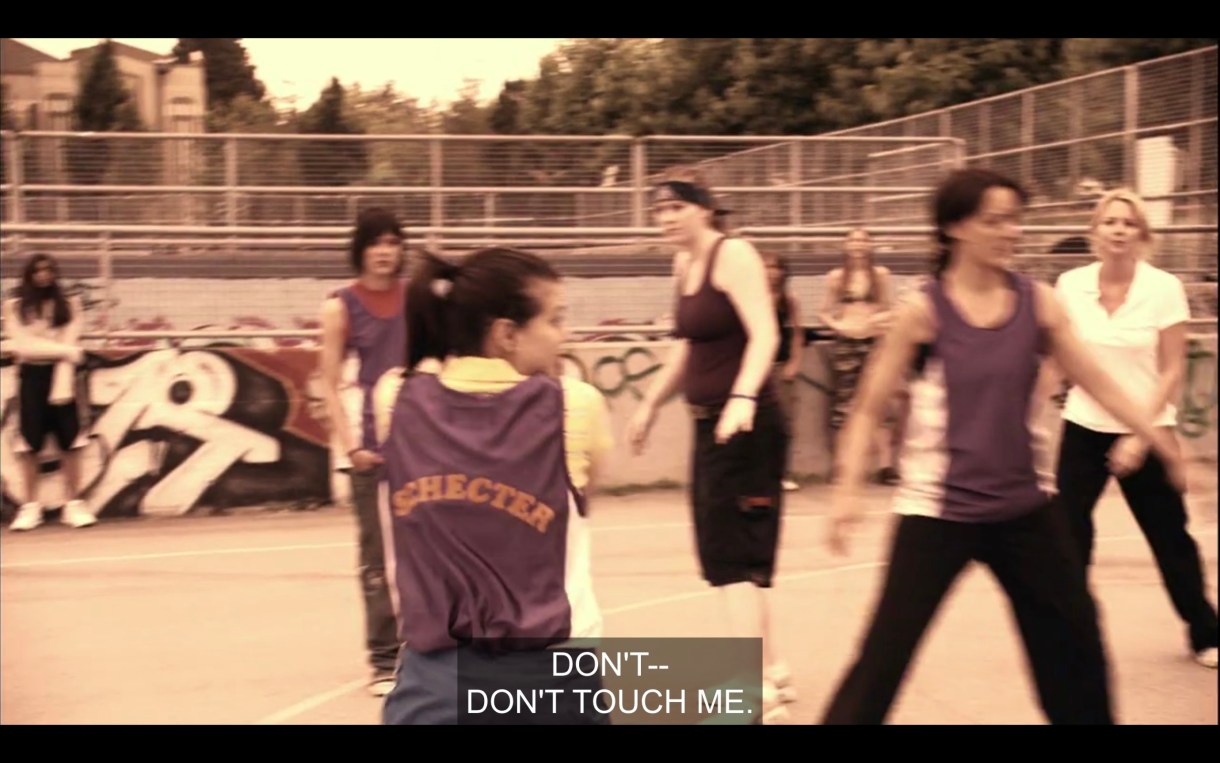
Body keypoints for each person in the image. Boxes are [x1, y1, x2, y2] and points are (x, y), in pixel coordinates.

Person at [821, 168, 1189, 725]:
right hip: (937, 511)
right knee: (883, 657)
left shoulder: (1039, 303)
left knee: (1076, 649)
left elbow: (1099, 381)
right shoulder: (923, 312)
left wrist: (1158, 440)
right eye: (994, 221)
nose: (1011, 231)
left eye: (1016, 219)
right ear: (955, 228)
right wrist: (846, 490)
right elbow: (869, 406)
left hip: (1025, 509)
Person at [373, 247, 613, 725]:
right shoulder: (576, 406)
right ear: (506, 333)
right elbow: (588, 496)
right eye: (555, 320)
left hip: (433, 684)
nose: (562, 337)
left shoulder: (393, 398)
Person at [626, 166, 794, 723]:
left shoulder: (734, 256)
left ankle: (756, 690)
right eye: (659, 210)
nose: (666, 218)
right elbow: (686, 349)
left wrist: (744, 397)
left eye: (676, 207)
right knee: (734, 555)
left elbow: (766, 333)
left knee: (731, 558)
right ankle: (771, 671)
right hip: (709, 423)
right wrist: (650, 404)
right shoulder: (684, 264)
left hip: (745, 425)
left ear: (704, 207)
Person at [1051, 188, 1217, 670]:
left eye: (1128, 223)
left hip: (1149, 427)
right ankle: (1073, 633)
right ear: (1095, 233)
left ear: (1142, 234)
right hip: (1084, 423)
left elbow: (1172, 371)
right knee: (1068, 535)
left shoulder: (1163, 287)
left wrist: (1140, 437)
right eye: (1109, 222)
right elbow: (1062, 359)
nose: (1118, 230)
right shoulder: (1070, 285)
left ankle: (1205, 631)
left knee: (1171, 539)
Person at [318, 208, 406, 696]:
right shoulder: (340, 307)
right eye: (376, 242)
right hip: (367, 451)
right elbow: (329, 385)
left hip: (415, 449)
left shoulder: (414, 299)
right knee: (377, 556)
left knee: (423, 554)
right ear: (361, 248)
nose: (385, 251)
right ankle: (384, 659)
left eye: (393, 241)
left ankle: (425, 648)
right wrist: (351, 445)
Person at [5, 253, 95, 531]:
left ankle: (74, 504)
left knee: (71, 441)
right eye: (38, 270)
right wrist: (69, 352)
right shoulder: (15, 306)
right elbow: (23, 347)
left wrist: (64, 360)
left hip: (62, 376)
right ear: (29, 275)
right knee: (29, 442)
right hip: (32, 377)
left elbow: (69, 336)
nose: (44, 275)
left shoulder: (69, 306)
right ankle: (30, 507)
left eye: (48, 270)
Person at [819, 228, 898, 484]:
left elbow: (890, 307)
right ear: (845, 245)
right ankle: (842, 465)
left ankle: (886, 466)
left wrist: (879, 321)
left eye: (863, 239)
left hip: (873, 341)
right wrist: (840, 326)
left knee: (880, 401)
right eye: (853, 239)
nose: (858, 244)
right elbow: (824, 312)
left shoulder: (881, 275)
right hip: (847, 342)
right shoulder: (837, 277)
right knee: (844, 404)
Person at [763, 252, 803, 492]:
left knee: (783, 422)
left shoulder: (789, 300)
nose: (771, 272)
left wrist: (794, 362)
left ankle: (782, 472)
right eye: (766, 267)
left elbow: (798, 333)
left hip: (781, 365)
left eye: (776, 267)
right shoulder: (752, 297)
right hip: (758, 367)